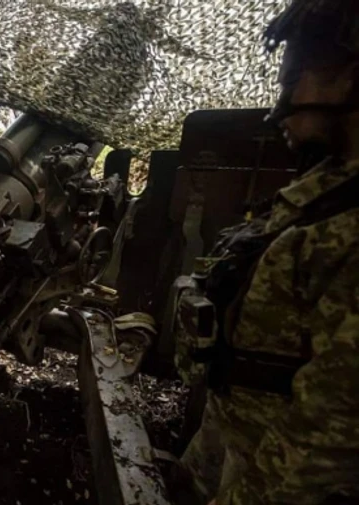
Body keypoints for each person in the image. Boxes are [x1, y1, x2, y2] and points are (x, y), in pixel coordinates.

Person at [174, 1, 359, 504]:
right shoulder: (326, 188)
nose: (279, 105)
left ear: (349, 80)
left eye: (292, 78)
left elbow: (332, 436)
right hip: (236, 435)